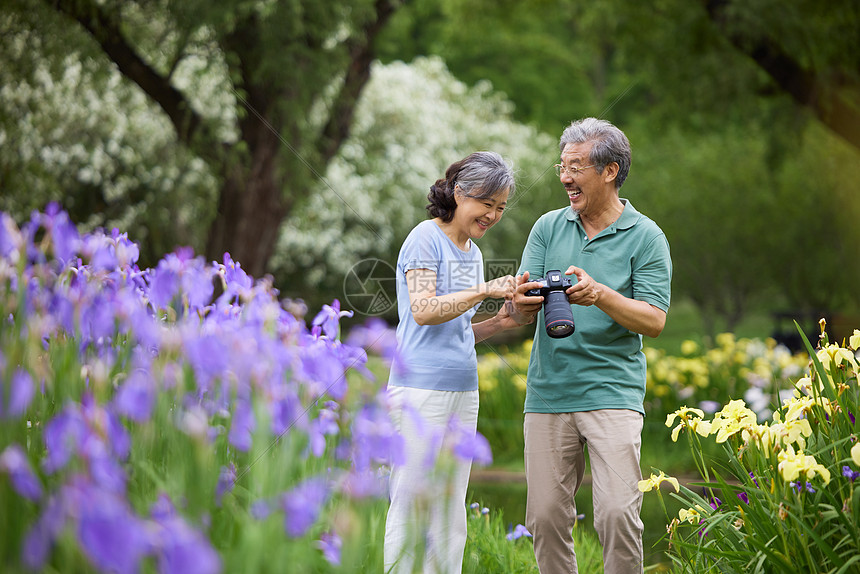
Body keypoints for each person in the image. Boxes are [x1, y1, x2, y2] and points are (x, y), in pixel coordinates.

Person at [510, 118, 672, 574]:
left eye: (576, 167)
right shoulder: (547, 228)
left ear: (610, 171)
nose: (565, 177)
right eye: (562, 166)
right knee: (544, 518)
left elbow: (655, 321)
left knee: (618, 513)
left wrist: (600, 294)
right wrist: (521, 304)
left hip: (611, 393)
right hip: (548, 393)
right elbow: (524, 313)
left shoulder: (646, 237)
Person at [384, 151, 523, 574]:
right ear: (460, 193)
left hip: (462, 391)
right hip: (420, 391)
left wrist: (499, 322)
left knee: (449, 505)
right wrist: (483, 291)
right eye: (488, 204)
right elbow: (425, 310)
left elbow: (455, 330)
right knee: (412, 500)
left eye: (500, 207)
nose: (493, 215)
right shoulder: (425, 237)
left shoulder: (472, 253)